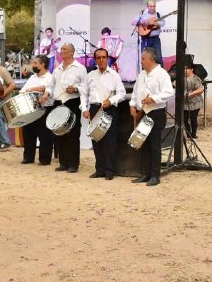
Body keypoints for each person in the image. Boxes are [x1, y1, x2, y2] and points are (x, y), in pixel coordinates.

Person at [129, 47, 174, 186]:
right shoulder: (142, 75)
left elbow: (168, 92)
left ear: (151, 59)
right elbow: (135, 92)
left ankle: (155, 175)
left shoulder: (162, 74)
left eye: (143, 59)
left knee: (154, 145)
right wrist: (132, 105)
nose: (141, 61)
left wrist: (153, 99)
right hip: (143, 112)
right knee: (144, 144)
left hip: (156, 113)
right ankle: (145, 173)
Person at [41, 43, 87, 173]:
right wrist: (46, 94)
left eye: (64, 49)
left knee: (73, 134)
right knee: (60, 133)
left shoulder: (80, 68)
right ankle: (63, 162)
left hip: (72, 102)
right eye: (61, 49)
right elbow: (50, 85)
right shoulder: (57, 69)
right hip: (58, 103)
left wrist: (76, 89)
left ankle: (73, 164)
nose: (61, 51)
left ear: (72, 52)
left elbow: (85, 88)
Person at [81, 48, 125, 180]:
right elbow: (83, 94)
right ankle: (99, 170)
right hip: (95, 109)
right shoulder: (90, 76)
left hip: (109, 109)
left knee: (110, 141)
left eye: (103, 57)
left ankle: (109, 170)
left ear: (107, 59)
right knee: (97, 140)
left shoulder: (114, 75)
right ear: (95, 60)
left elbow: (121, 93)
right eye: (98, 58)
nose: (101, 60)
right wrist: (84, 109)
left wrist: (111, 101)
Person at [19, 55, 55, 166]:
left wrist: (33, 89)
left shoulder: (50, 77)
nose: (33, 65)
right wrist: (25, 92)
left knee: (45, 135)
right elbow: (22, 90)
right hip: (31, 109)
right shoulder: (32, 78)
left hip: (45, 109)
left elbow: (47, 88)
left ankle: (45, 159)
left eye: (35, 63)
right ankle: (28, 157)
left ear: (42, 64)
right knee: (28, 133)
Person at [133, 0, 166, 64]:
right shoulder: (143, 15)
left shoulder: (158, 15)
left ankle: (160, 70)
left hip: (155, 39)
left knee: (158, 58)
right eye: (150, 6)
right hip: (145, 39)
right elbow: (133, 22)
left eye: (154, 6)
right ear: (147, 7)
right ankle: (145, 70)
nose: (152, 8)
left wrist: (156, 23)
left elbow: (163, 23)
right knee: (144, 58)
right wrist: (144, 22)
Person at [183, 62, 204, 139]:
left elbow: (201, 90)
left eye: (187, 69)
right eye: (184, 69)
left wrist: (191, 94)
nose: (185, 70)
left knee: (193, 119)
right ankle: (188, 135)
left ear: (191, 69)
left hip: (195, 103)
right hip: (185, 103)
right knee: (184, 120)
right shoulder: (182, 78)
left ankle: (193, 135)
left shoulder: (196, 78)